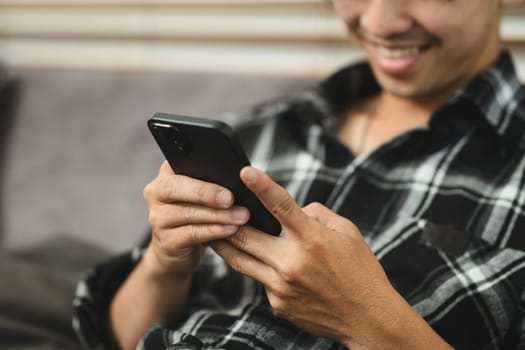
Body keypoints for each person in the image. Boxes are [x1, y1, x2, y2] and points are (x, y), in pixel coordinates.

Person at [73, 0, 525, 349]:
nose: (381, 23)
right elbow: (113, 339)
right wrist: (165, 265)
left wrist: (367, 319)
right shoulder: (258, 132)